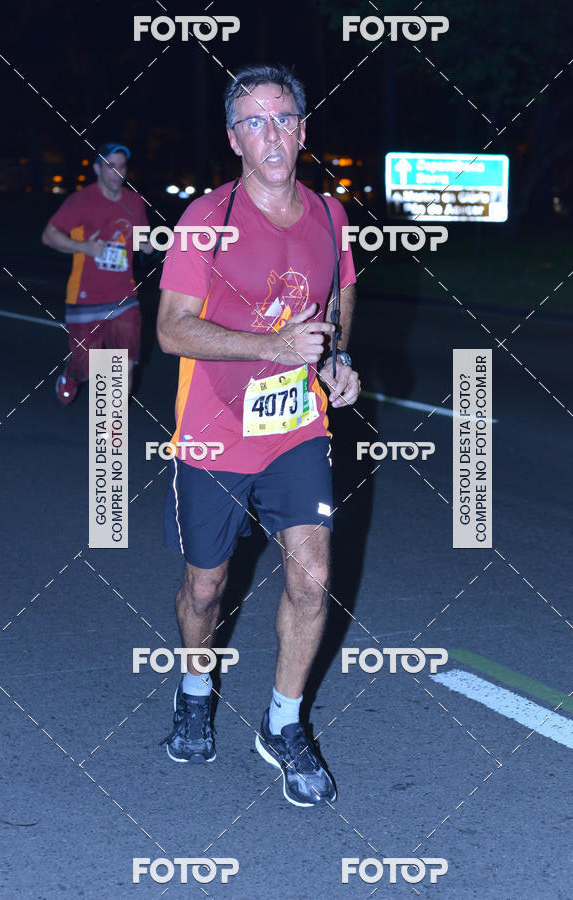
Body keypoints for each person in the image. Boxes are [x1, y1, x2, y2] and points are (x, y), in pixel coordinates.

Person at [157, 64, 360, 807]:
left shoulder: (333, 219)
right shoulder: (205, 219)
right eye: (253, 122)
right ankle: (194, 685)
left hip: (296, 427)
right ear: (233, 138)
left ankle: (282, 723)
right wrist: (270, 348)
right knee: (206, 589)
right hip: (214, 432)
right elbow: (172, 329)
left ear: (303, 131)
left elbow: (336, 314)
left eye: (282, 119)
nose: (269, 134)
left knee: (311, 577)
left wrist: (337, 363)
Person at [41, 142, 153, 404]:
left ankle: (111, 426)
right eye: (110, 166)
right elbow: (48, 236)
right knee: (86, 366)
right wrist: (85, 247)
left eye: (122, 166)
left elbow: (141, 239)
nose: (117, 172)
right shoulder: (81, 201)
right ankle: (73, 373)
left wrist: (151, 245)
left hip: (124, 296)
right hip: (85, 297)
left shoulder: (134, 202)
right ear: (97, 168)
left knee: (123, 364)